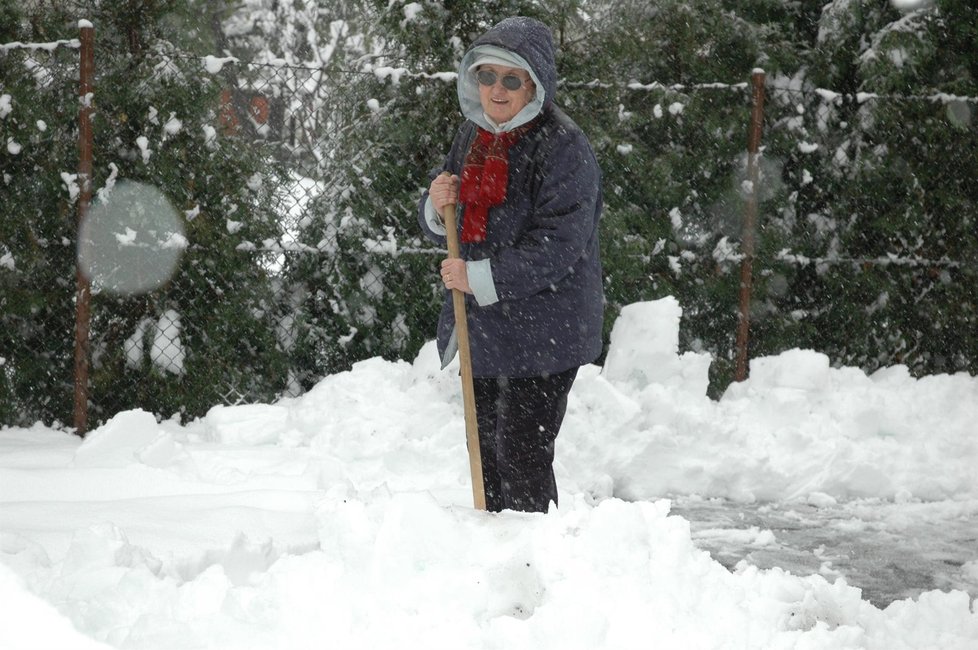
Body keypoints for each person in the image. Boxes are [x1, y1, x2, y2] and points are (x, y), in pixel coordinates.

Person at [418, 16, 604, 513]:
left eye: (511, 79)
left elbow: (561, 244)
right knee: (485, 452)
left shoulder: (564, 146)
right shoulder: (473, 136)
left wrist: (480, 277)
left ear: (535, 84)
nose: (496, 90)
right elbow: (455, 216)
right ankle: (494, 555)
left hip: (547, 326)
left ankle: (533, 558)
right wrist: (437, 205)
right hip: (488, 327)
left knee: (521, 452)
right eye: (487, 76)